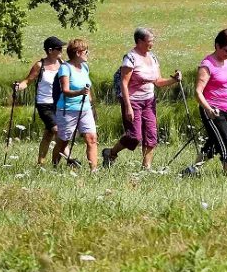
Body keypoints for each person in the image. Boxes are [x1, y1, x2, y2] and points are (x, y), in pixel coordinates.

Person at [102, 28, 181, 170]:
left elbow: (158, 81)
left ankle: (146, 168)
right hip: (132, 100)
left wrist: (173, 80)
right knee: (134, 136)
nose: (152, 44)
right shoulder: (130, 58)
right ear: (139, 41)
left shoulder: (153, 57)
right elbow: (124, 84)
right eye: (149, 41)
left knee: (151, 135)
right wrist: (128, 106)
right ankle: (111, 153)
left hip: (149, 101)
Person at [184, 28, 227, 177]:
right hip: (213, 110)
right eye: (226, 50)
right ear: (217, 46)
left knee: (214, 144)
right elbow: (198, 92)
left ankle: (191, 171)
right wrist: (208, 109)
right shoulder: (207, 65)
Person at [14, 36, 66, 165]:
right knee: (58, 131)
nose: (61, 50)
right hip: (44, 104)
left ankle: (40, 163)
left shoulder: (62, 64)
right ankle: (69, 159)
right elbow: (27, 81)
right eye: (58, 48)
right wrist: (18, 87)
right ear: (49, 50)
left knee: (49, 134)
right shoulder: (40, 65)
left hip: (58, 103)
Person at [51, 39, 99, 171]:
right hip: (68, 110)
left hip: (85, 109)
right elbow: (65, 91)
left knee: (92, 138)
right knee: (63, 141)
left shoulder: (85, 67)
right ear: (78, 53)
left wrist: (90, 103)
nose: (88, 54)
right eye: (86, 51)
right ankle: (54, 167)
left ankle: (94, 170)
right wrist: (80, 92)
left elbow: (87, 88)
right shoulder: (65, 68)